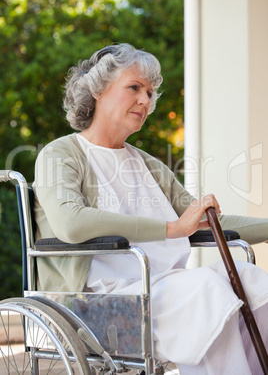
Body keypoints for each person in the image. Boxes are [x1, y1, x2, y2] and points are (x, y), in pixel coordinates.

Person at [33, 43, 268, 374]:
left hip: (160, 286)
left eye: (150, 92)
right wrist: (172, 229)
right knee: (204, 290)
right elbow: (71, 223)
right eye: (134, 88)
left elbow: (207, 222)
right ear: (98, 91)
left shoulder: (149, 165)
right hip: (96, 303)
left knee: (250, 279)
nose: (146, 100)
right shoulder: (61, 155)